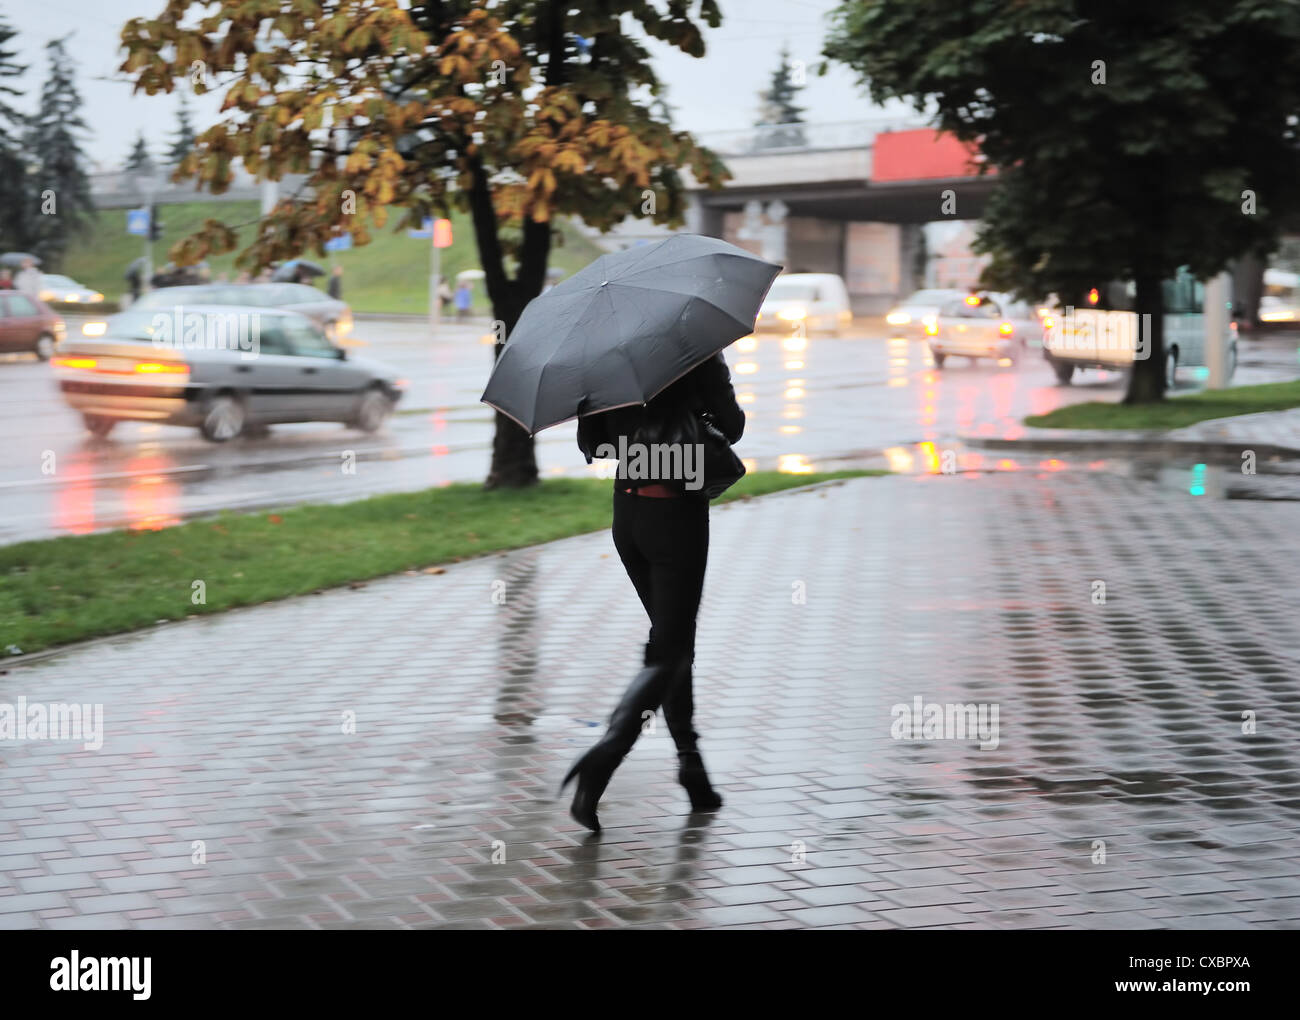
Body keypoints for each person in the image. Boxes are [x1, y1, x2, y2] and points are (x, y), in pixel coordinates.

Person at [562, 351, 744, 832]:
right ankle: (604, 758)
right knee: (670, 648)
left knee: (671, 643)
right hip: (675, 516)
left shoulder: (602, 357)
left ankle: (692, 766)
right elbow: (733, 425)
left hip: (629, 514)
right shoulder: (696, 350)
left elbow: (595, 444)